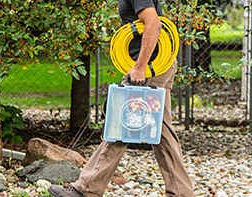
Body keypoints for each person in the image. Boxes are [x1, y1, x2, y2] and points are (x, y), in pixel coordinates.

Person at [48, 0, 194, 196]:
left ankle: (86, 189)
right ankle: (181, 192)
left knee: (122, 124)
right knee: (158, 129)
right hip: (154, 65)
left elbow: (153, 24)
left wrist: (140, 67)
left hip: (151, 66)